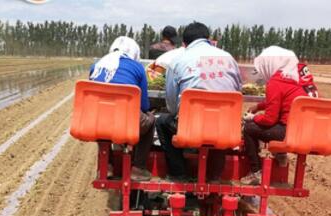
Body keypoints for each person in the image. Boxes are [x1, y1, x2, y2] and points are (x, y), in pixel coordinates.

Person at [156, 22, 242, 181]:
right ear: (208, 39)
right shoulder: (229, 58)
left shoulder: (178, 61)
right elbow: (238, 91)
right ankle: (214, 176)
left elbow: (172, 105)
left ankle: (178, 173)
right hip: (223, 127)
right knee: (222, 124)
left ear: (184, 43)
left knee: (162, 122)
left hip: (191, 126)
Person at [241, 46, 319, 185]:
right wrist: (259, 107)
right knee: (276, 125)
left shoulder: (277, 81)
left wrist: (253, 118)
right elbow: (284, 99)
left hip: (290, 132)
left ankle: (256, 171)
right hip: (310, 130)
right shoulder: (298, 78)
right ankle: (280, 155)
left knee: (249, 128)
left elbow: (269, 119)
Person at [90, 36, 155, 182]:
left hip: (96, 121)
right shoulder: (137, 67)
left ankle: (106, 167)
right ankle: (139, 168)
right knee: (150, 120)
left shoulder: (96, 65)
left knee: (101, 119)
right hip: (126, 120)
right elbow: (144, 105)